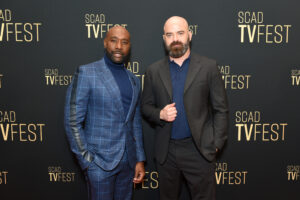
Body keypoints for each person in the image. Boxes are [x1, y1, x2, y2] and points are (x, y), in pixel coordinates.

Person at [141, 16, 229, 200]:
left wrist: (216, 144)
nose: (175, 39)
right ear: (164, 38)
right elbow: (146, 107)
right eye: (169, 34)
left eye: (180, 33)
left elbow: (221, 109)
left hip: (199, 150)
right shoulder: (153, 71)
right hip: (167, 152)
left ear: (189, 35)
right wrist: (160, 114)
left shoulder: (208, 67)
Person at [64, 26, 146, 200]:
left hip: (128, 163)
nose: (118, 46)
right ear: (105, 42)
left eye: (124, 42)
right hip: (99, 164)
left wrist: (139, 159)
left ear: (129, 47)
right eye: (114, 40)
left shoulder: (134, 80)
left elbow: (135, 122)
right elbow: (72, 121)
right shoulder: (87, 73)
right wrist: (87, 161)